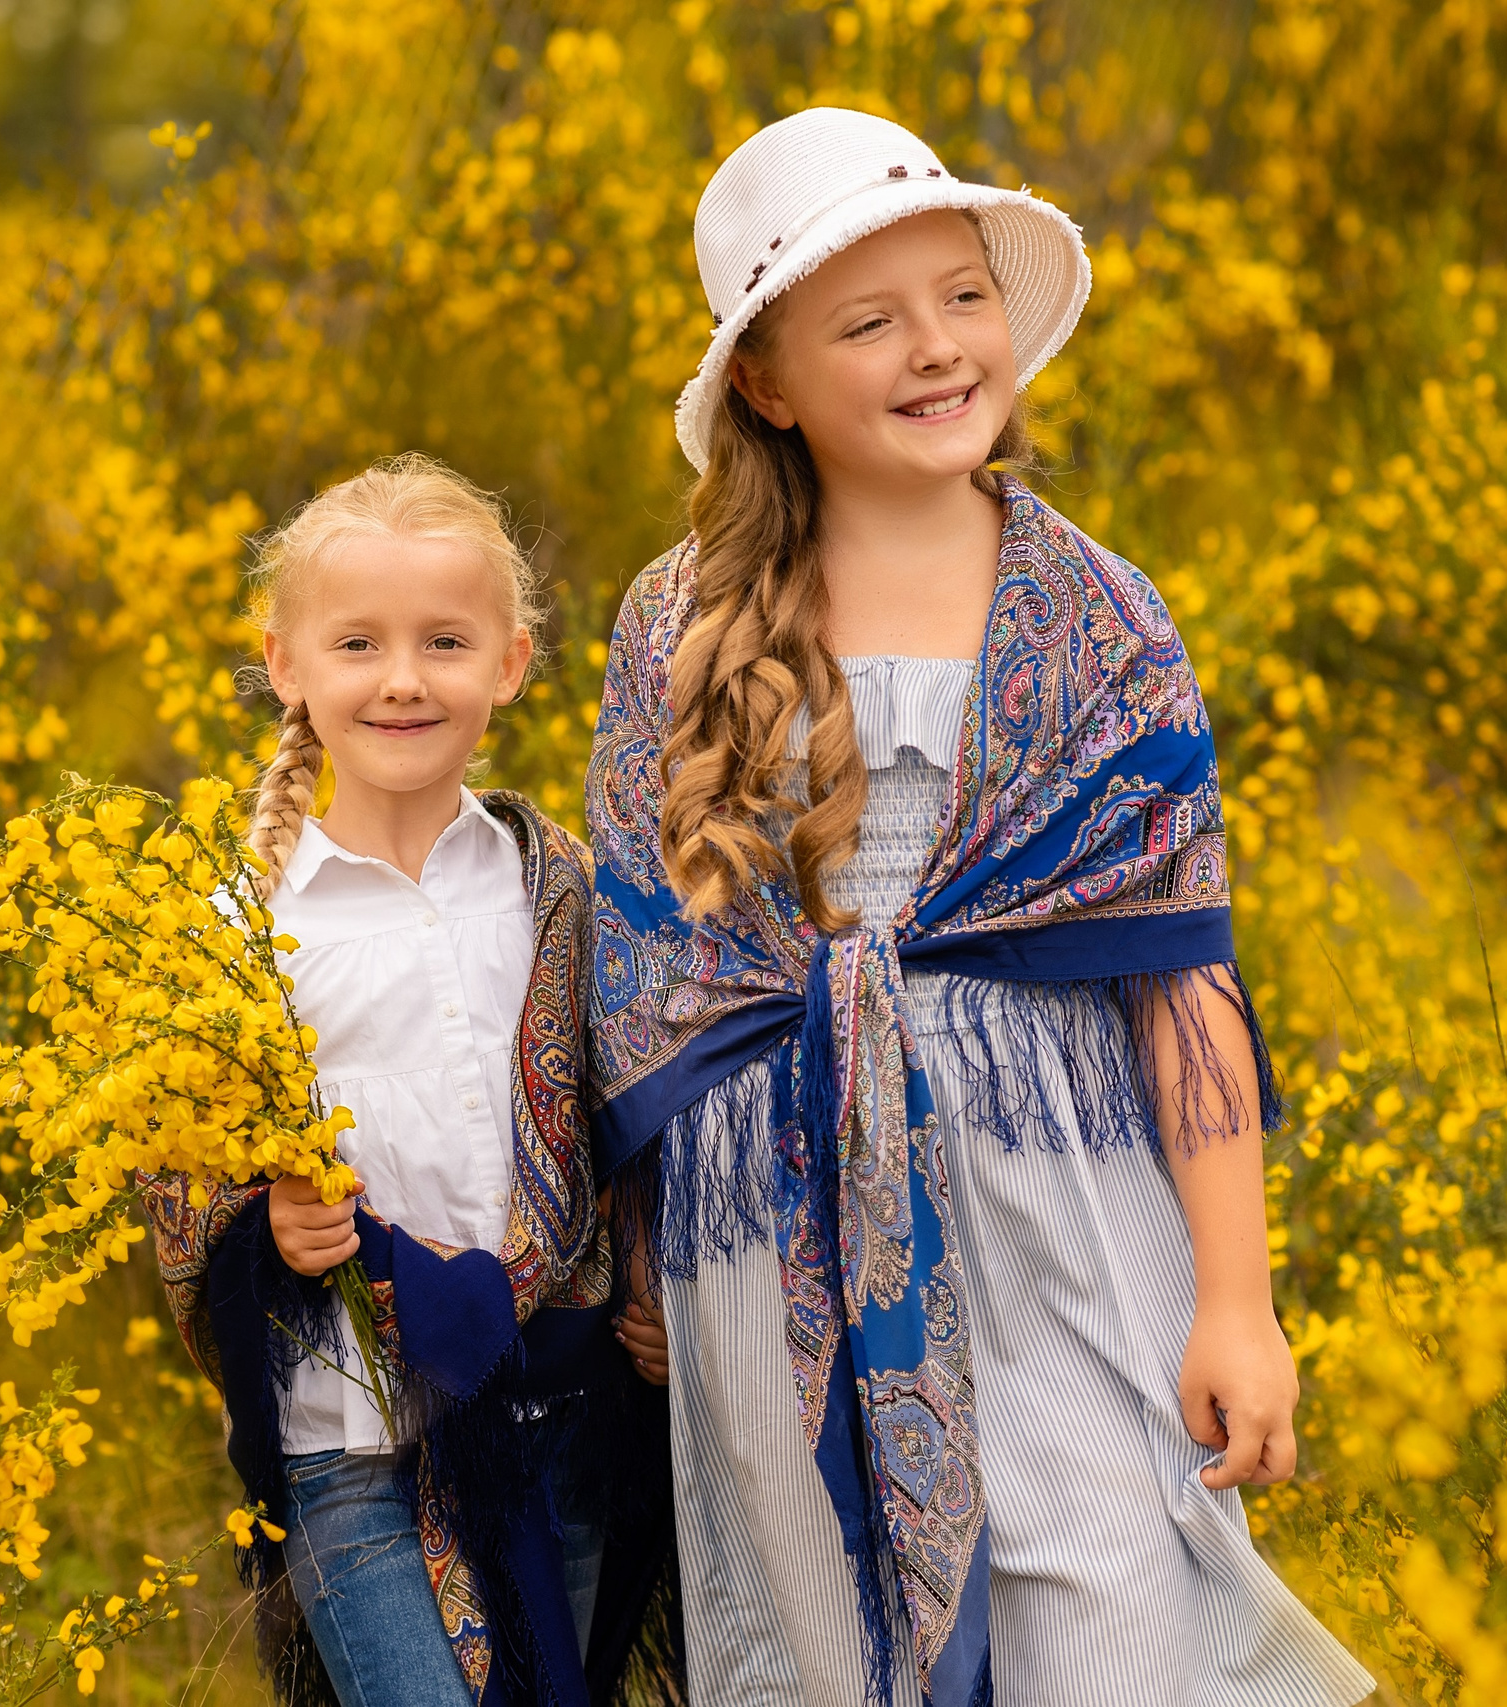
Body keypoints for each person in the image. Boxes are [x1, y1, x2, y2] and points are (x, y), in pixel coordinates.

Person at [584, 109, 1378, 1707]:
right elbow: (652, 979)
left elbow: (1181, 974)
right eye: (868, 322)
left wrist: (1239, 1303)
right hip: (787, 1222)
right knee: (824, 1652)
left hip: (1061, 1196)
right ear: (767, 380)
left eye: (962, 297)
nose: (936, 348)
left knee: (1114, 1623)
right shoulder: (679, 621)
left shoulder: (1095, 610)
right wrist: (650, 1247)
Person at [143, 454, 672, 1707]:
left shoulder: (562, 890)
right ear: (286, 665)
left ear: (510, 664)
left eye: (444, 641)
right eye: (358, 643)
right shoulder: (241, 923)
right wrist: (263, 1227)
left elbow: (629, 1114)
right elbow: (179, 1188)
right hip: (351, 1446)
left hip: (557, 1408)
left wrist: (649, 1287)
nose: (400, 679)